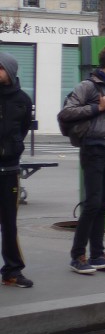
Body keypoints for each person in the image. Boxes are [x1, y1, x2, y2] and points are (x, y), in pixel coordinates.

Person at [59, 44, 105, 275]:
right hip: (95, 149)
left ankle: (98, 255)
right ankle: (78, 256)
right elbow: (66, 113)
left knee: (102, 205)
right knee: (92, 203)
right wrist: (95, 107)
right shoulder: (89, 86)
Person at [0, 51, 33, 288]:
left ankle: (12, 270)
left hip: (9, 170)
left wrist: (13, 149)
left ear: (9, 72)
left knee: (9, 223)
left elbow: (23, 129)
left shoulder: (23, 99)